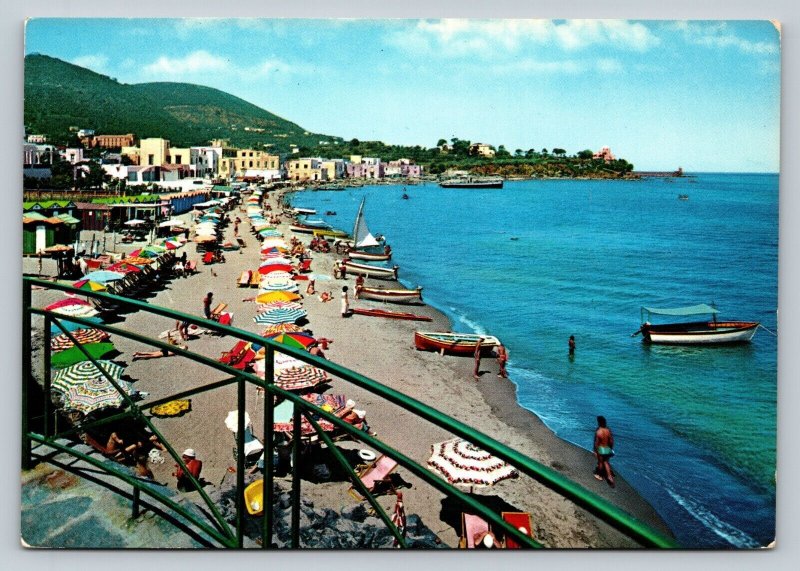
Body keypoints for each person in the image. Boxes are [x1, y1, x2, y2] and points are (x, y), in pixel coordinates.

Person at [593, 416, 615, 487]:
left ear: (599, 423)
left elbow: (596, 443)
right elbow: (611, 441)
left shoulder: (598, 432)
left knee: (600, 463)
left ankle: (600, 475)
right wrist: (610, 449)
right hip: (607, 448)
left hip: (601, 449)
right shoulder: (608, 431)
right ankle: (609, 477)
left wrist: (595, 451)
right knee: (606, 462)